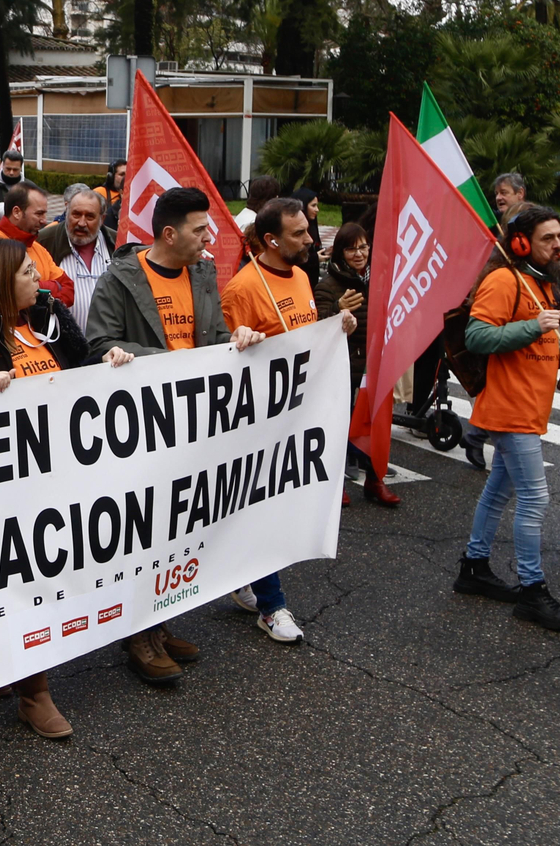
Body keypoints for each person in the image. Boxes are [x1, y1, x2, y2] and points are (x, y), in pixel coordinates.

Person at [0, 238, 134, 737]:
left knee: (44, 583)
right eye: (28, 273)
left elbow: (79, 378)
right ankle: (34, 693)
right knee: (17, 587)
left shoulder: (50, 320)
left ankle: (12, 672)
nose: (40, 280)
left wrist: (110, 364)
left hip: (59, 481)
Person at [85, 187, 267, 683]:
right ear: (169, 234)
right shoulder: (121, 278)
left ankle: (158, 623)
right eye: (200, 230)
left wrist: (241, 338)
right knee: (141, 534)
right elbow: (97, 344)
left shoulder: (203, 274)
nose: (209, 238)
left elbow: (212, 339)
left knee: (176, 530)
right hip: (143, 430)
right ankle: (136, 636)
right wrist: (162, 364)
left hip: (194, 425)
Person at [216, 199, 365, 644]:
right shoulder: (242, 289)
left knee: (264, 510)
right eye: (299, 234)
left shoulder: (301, 276)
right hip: (256, 423)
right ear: (271, 241)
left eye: (307, 230)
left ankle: (243, 577)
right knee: (259, 510)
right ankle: (272, 605)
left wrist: (340, 325)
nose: (309, 239)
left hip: (296, 417)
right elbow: (225, 362)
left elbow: (306, 337)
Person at [451, 206, 560, 632]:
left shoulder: (540, 283)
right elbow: (477, 336)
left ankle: (473, 567)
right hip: (510, 410)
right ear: (522, 242)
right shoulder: (503, 280)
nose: (559, 245)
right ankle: (532, 590)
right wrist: (533, 328)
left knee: (497, 491)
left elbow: (536, 338)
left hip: (528, 406)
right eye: (549, 238)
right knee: (535, 499)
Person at [314, 222, 371, 482]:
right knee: (342, 416)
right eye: (351, 249)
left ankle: (371, 467)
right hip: (344, 365)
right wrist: (338, 308)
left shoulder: (375, 279)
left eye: (363, 247)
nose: (359, 254)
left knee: (368, 417)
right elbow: (318, 326)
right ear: (339, 252)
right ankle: (340, 465)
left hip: (371, 364)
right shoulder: (328, 285)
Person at [37, 189, 114, 331]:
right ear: (66, 213)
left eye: (90, 217)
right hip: (58, 344)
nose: (82, 223)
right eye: (76, 214)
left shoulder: (116, 244)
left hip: (108, 347)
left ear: (102, 219)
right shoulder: (44, 241)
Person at [0, 182, 73, 309]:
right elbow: (4, 298)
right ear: (17, 212)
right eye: (39, 214)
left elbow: (68, 289)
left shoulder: (38, 248)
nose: (44, 220)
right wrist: (51, 288)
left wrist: (36, 289)